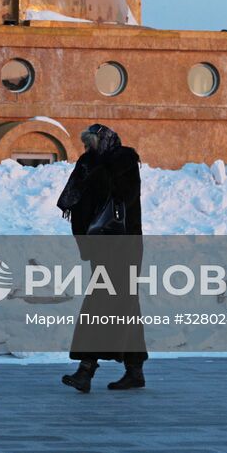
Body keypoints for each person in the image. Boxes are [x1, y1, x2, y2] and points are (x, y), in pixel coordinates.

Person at [55, 123, 147, 392]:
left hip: (123, 245)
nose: (87, 148)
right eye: (86, 144)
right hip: (100, 246)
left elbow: (123, 197)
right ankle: (135, 370)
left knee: (100, 305)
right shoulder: (88, 163)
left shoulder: (123, 162)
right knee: (125, 306)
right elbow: (74, 199)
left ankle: (86, 368)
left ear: (104, 142)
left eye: (92, 143)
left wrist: (96, 173)